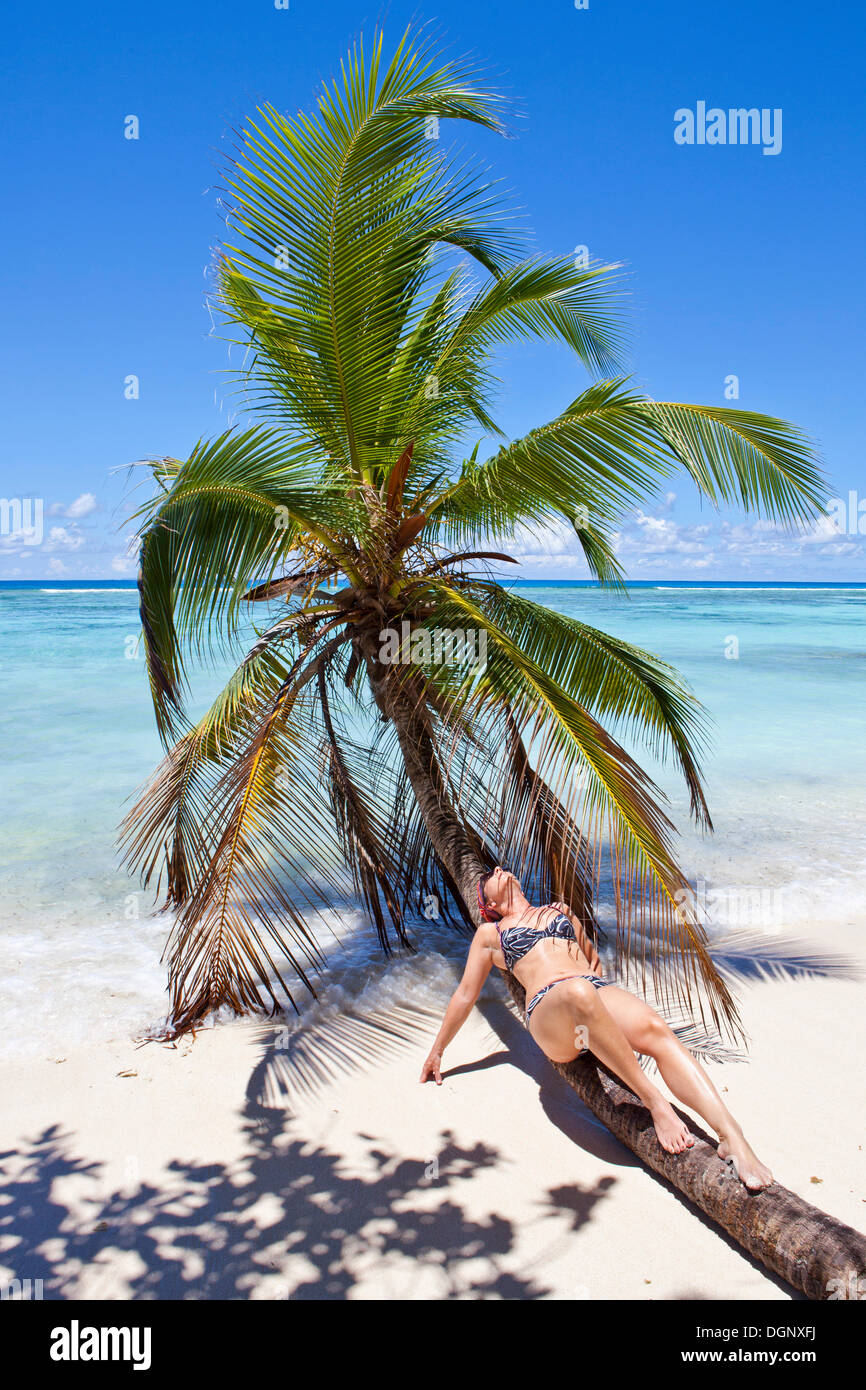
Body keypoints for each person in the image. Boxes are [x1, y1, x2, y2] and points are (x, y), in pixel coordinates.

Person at [420, 865, 772, 1190]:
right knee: (577, 991)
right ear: (491, 903)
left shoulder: (559, 910)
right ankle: (655, 1102)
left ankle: (732, 1135)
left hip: (592, 994)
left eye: (497, 867)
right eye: (490, 878)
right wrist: (438, 1051)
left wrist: (601, 1020)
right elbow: (466, 995)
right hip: (550, 1012)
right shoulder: (490, 934)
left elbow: (592, 961)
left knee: (656, 1029)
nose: (499, 869)